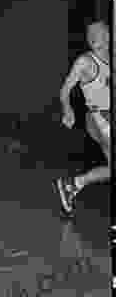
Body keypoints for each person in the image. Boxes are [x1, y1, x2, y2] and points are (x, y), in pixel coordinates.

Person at [55, 20, 111, 215]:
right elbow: (64, 90)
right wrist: (67, 108)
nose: (92, 37)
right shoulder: (85, 61)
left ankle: (73, 184)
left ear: (108, 35)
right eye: (89, 34)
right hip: (98, 119)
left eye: (97, 33)